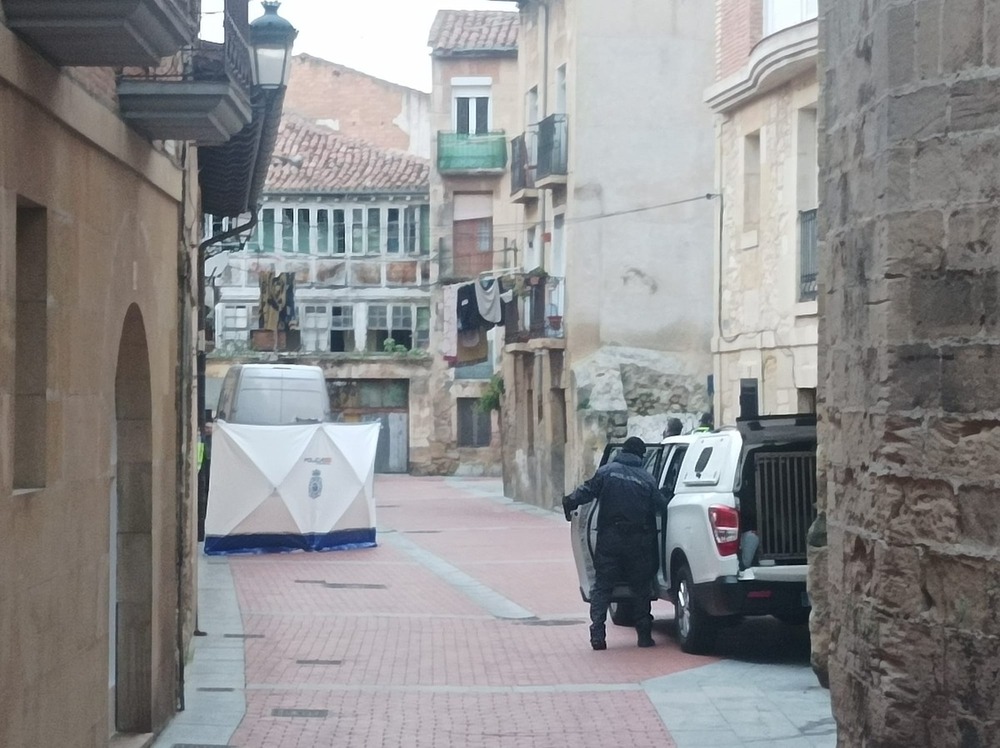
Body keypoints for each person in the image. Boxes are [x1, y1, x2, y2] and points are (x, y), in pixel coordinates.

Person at [563, 436, 666, 650]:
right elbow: (661, 506)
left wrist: (569, 502)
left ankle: (598, 636)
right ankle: (644, 636)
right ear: (640, 455)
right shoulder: (647, 479)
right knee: (641, 589)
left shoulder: (606, 472)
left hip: (609, 539)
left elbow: (586, 492)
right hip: (639, 542)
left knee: (602, 588)